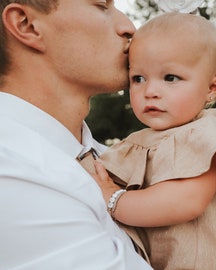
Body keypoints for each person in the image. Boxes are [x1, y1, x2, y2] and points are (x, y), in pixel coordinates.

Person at [91, 12, 216, 270]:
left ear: (212, 88)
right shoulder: (141, 142)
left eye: (170, 78)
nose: (150, 92)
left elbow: (184, 202)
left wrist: (113, 199)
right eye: (138, 78)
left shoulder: (206, 136)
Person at [0, 1, 152, 269]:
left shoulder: (108, 159)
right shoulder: (10, 172)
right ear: (27, 25)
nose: (129, 27)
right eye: (101, 5)